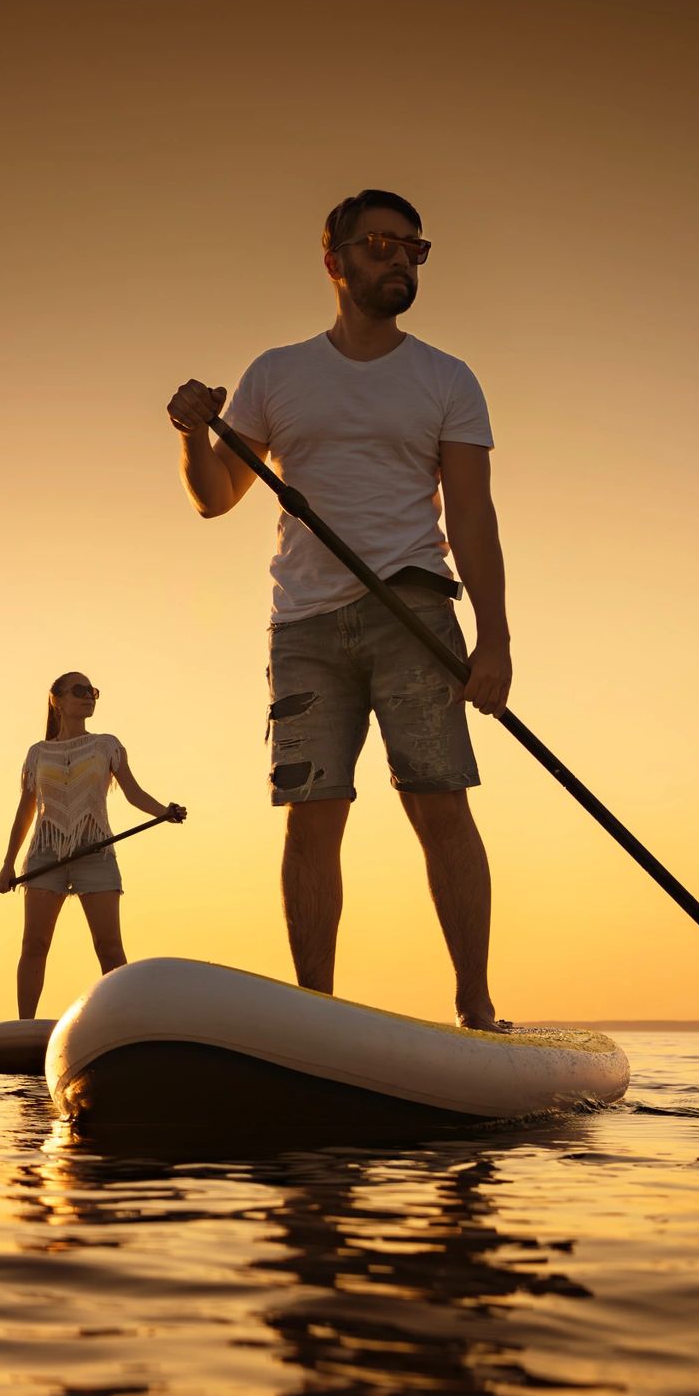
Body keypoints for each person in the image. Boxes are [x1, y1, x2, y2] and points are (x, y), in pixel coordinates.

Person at [166, 188, 514, 1030]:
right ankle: (315, 1017)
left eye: (412, 248)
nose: (398, 258)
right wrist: (191, 431)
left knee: (440, 802)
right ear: (336, 261)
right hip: (306, 627)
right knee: (312, 814)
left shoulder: (447, 378)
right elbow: (216, 497)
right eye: (380, 244)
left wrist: (495, 640)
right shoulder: (276, 375)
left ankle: (475, 1008)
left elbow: (470, 512)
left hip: (414, 611)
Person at [0, 672, 186, 1019]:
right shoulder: (38, 753)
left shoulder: (105, 745)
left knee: (109, 947)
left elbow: (133, 792)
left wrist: (164, 812)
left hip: (96, 853)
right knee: (34, 945)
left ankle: (123, 1022)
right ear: (57, 700)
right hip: (44, 855)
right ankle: (24, 1026)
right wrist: (8, 865)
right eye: (79, 691)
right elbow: (25, 812)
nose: (89, 696)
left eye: (93, 691)